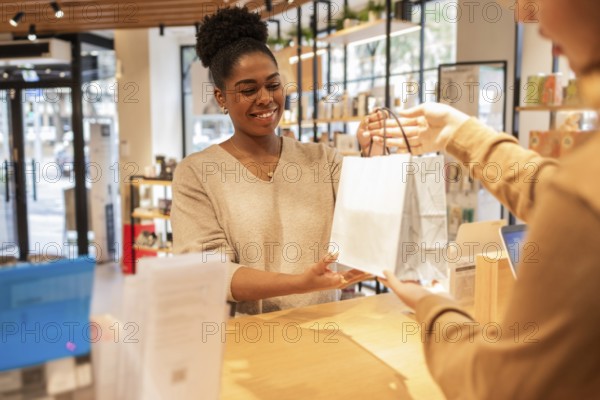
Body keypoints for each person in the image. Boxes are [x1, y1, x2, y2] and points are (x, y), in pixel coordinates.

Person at [361, 0, 600, 398]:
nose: (529, 21)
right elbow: (553, 192)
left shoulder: (581, 194)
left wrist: (433, 307)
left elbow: (495, 386)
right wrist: (459, 133)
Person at [171, 7, 370, 315]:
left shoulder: (322, 160)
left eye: (273, 85)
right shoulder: (196, 174)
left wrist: (375, 154)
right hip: (248, 345)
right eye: (248, 90)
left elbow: (368, 222)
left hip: (325, 332)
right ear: (221, 98)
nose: (265, 98)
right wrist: (299, 283)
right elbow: (207, 272)